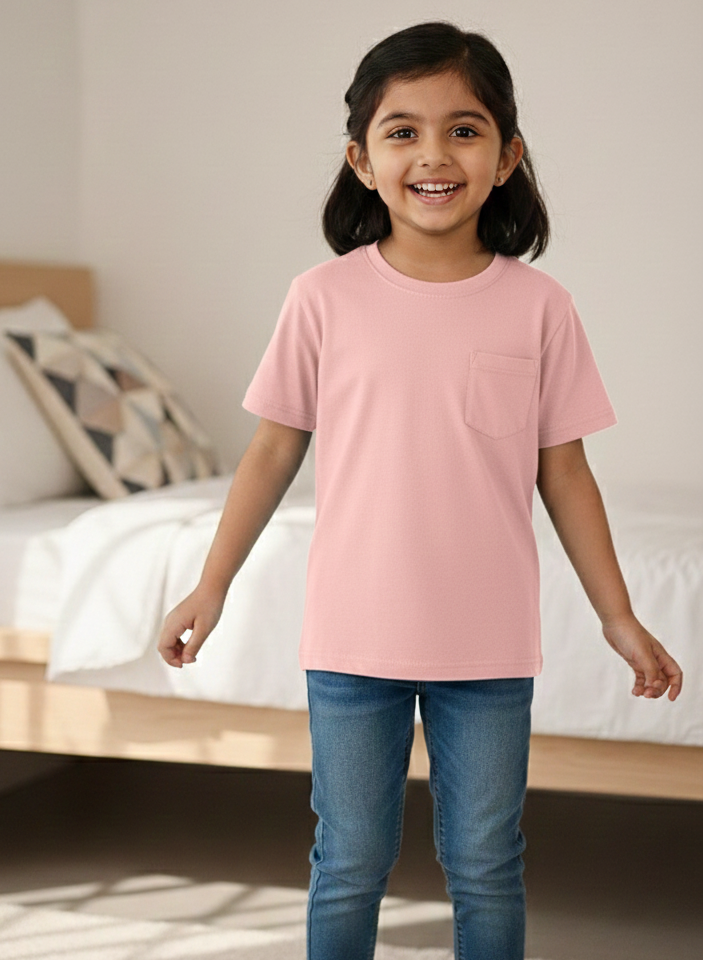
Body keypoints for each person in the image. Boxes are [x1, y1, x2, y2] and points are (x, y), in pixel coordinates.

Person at [157, 20, 684, 960]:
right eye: (403, 132)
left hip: (488, 649)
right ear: (361, 160)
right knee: (350, 859)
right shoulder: (321, 297)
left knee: (486, 861)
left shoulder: (540, 307)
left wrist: (619, 615)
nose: (434, 155)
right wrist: (211, 585)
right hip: (353, 641)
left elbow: (564, 471)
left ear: (507, 155)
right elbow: (273, 451)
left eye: (464, 129)